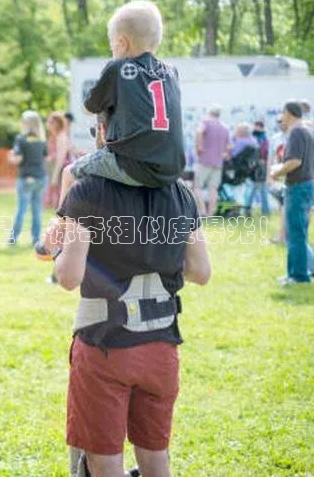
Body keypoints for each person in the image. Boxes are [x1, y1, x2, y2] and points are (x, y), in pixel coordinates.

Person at [40, 109, 211, 477]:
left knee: (104, 460)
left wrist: (56, 252)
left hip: (106, 344)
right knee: (154, 457)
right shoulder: (182, 192)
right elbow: (201, 271)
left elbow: (68, 277)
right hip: (162, 345)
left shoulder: (87, 190)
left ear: (104, 131)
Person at [58, 1, 185, 217]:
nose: (112, 51)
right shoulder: (171, 72)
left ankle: (57, 232)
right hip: (172, 167)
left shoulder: (118, 68)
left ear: (122, 43)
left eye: (112, 47)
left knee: (69, 173)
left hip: (134, 164)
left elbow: (90, 106)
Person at [270, 101, 314, 285]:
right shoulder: (307, 130)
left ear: (288, 113)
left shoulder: (296, 132)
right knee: (300, 232)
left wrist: (276, 171)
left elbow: (294, 161)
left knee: (294, 233)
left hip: (297, 187)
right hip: (306, 185)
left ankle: (298, 276)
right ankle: (308, 268)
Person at [7, 110, 48, 246]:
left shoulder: (21, 139)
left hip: (26, 178)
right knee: (37, 211)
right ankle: (36, 239)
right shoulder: (42, 139)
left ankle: (13, 238)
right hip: (41, 178)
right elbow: (45, 158)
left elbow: (18, 159)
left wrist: (10, 156)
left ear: (26, 123)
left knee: (21, 210)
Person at [194, 105, 231, 216]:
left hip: (205, 160)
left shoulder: (206, 122)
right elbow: (228, 146)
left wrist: (199, 146)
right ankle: (211, 213)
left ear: (209, 113)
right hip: (218, 162)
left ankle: (202, 211)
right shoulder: (225, 127)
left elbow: (199, 132)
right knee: (213, 188)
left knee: (197, 186)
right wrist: (224, 155)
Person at [245, 120, 271, 216]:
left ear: (261, 127)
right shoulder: (252, 137)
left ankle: (249, 209)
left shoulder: (263, 139)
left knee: (258, 187)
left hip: (260, 167)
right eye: (255, 126)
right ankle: (265, 210)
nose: (255, 128)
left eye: (257, 126)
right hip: (254, 166)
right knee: (257, 188)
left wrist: (262, 160)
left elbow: (265, 152)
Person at [45, 112, 71, 209]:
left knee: (61, 201)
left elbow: (61, 158)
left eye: (52, 123)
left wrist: (54, 177)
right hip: (53, 169)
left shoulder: (61, 137)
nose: (49, 125)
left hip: (60, 171)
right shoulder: (53, 137)